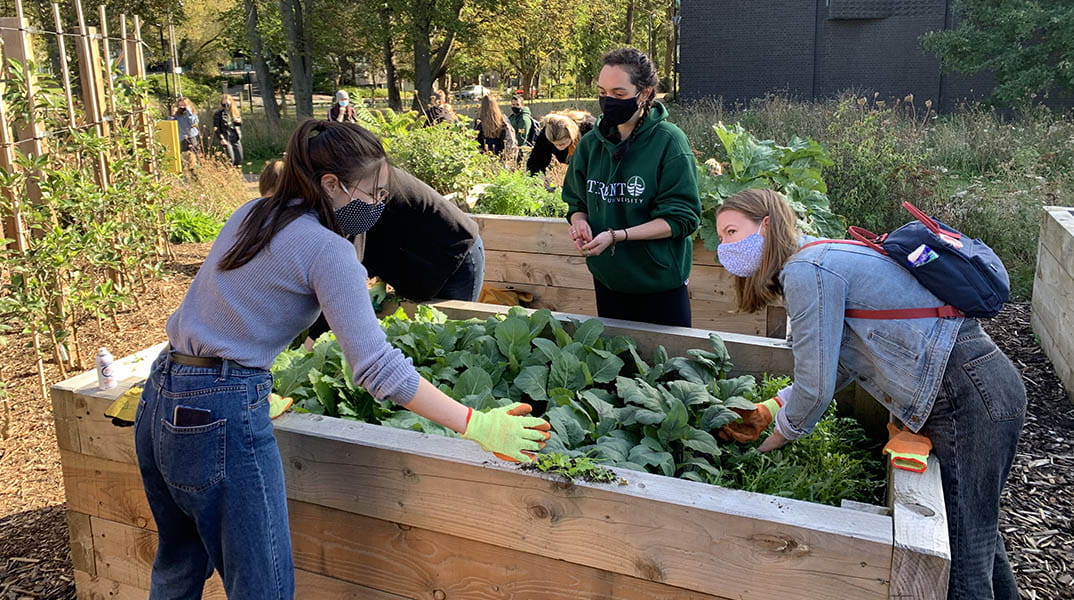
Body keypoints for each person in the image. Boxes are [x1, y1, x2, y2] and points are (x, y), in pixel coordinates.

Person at [133, 120, 549, 598]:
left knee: (178, 565)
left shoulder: (252, 213)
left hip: (161, 395)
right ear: (331, 185)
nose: (379, 204)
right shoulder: (327, 250)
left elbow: (237, 308)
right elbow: (376, 367)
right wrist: (475, 423)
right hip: (220, 414)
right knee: (261, 587)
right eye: (373, 193)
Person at [713, 188, 1026, 600]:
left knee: (962, 554)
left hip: (966, 393)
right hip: (980, 384)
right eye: (720, 237)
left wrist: (777, 439)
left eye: (732, 232)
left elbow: (816, 384)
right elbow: (842, 362)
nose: (725, 247)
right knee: (974, 530)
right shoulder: (820, 256)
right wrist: (773, 406)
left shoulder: (807, 270)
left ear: (766, 225)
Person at [562, 47, 701, 327]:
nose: (608, 100)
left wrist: (617, 236)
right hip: (608, 280)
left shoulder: (669, 142)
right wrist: (580, 223)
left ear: (645, 93)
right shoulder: (591, 144)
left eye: (619, 94)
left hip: (658, 283)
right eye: (602, 92)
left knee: (665, 367)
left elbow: (681, 219)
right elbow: (576, 202)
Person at [305, 165, 484, 341]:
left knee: (450, 338)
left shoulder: (362, 189)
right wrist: (381, 280)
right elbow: (381, 233)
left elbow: (346, 277)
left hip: (453, 256)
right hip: (418, 257)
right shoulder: (345, 190)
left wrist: (313, 340)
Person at [526, 109, 596, 175]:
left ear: (571, 136)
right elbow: (536, 160)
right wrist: (540, 176)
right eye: (554, 144)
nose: (558, 147)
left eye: (562, 144)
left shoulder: (590, 131)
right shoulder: (549, 131)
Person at [473, 93, 517, 158]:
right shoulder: (503, 120)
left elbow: (475, 141)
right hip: (501, 156)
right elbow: (510, 140)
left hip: (484, 158)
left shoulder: (479, 122)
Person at [212, 94, 243, 166]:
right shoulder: (218, 113)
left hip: (235, 137)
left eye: (228, 100)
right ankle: (229, 172)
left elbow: (239, 124)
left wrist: (237, 121)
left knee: (239, 158)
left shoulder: (234, 111)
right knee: (230, 158)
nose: (226, 103)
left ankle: (237, 172)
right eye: (224, 101)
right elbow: (216, 127)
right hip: (226, 137)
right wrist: (221, 138)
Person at [169, 97, 200, 168]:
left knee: (193, 157)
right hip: (181, 139)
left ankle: (196, 174)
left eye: (184, 105)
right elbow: (170, 124)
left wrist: (188, 111)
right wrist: (172, 115)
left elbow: (193, 123)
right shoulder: (177, 115)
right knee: (184, 158)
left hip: (191, 138)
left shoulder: (192, 113)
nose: (182, 107)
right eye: (180, 105)